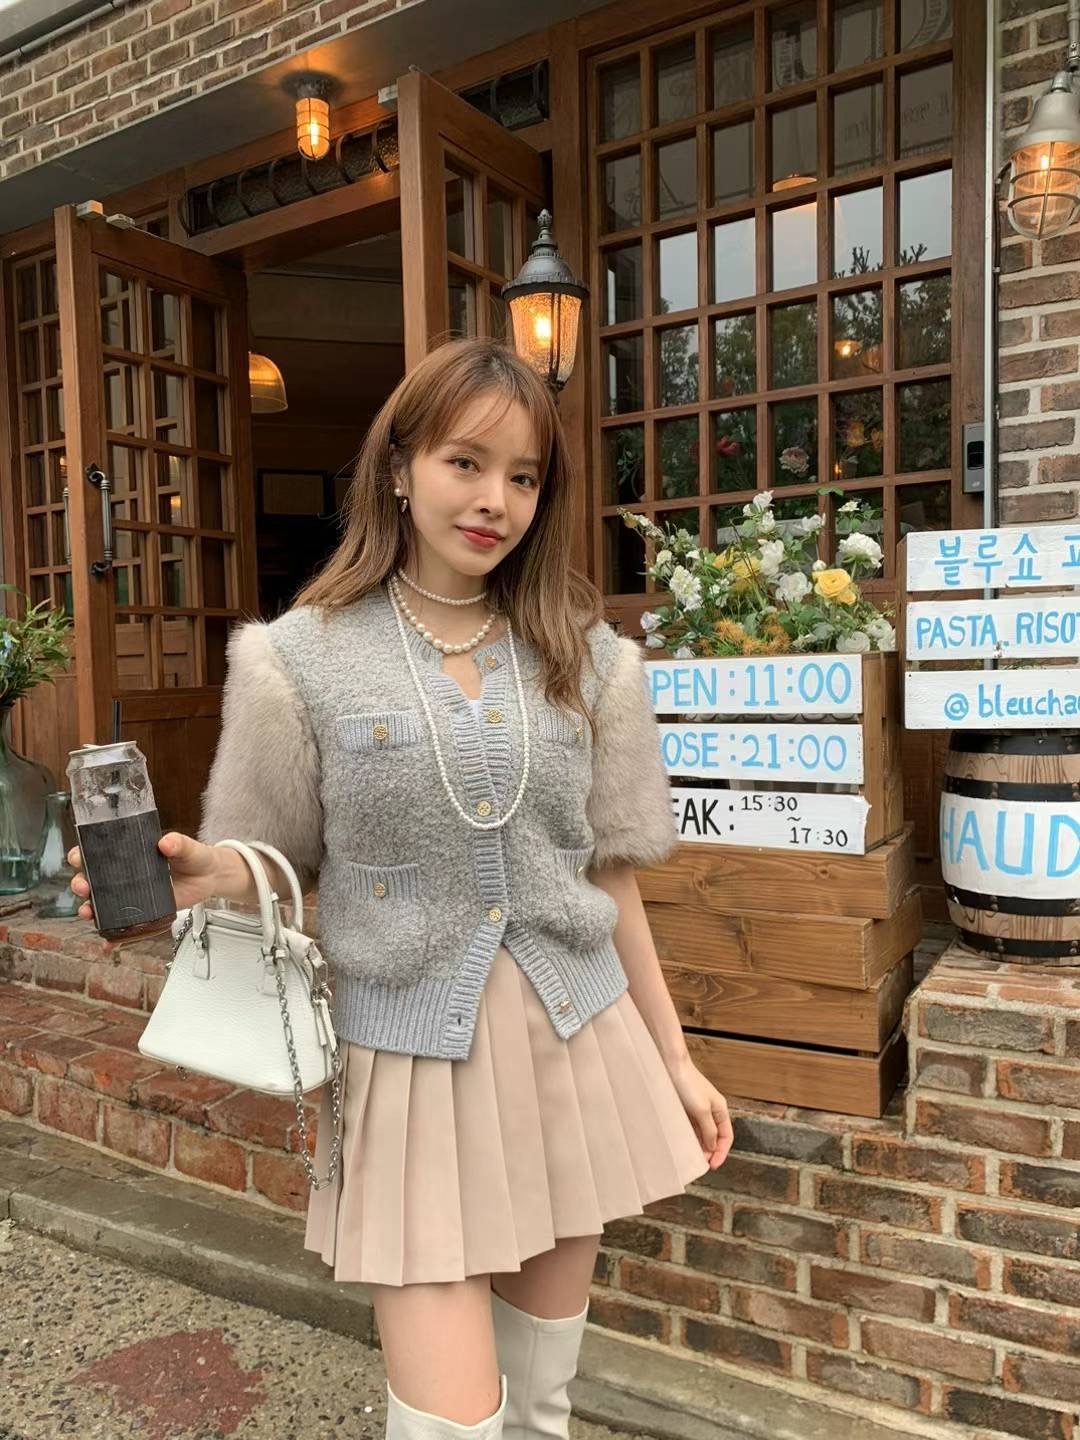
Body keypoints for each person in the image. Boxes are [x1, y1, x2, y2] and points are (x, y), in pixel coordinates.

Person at [68, 337, 733, 1440]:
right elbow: (265, 856)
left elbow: (608, 873)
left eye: (524, 476)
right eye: (466, 462)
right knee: (449, 1424)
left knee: (543, 1402)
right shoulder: (296, 658)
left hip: (577, 1040)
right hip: (409, 1060)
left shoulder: (593, 660)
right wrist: (197, 876)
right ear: (398, 468)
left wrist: (673, 1058)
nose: (495, 500)